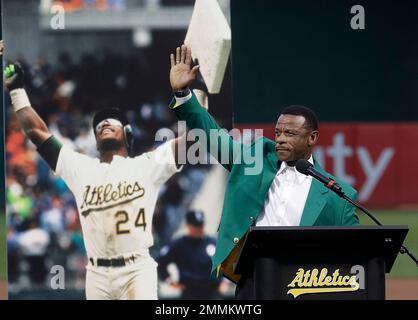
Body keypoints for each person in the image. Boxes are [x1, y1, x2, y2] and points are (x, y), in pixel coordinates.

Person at [167, 44, 360, 299]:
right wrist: (183, 93)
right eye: (278, 132)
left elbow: (354, 255)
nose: (280, 139)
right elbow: (212, 136)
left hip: (306, 285)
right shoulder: (254, 161)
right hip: (254, 280)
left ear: (312, 138)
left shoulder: (338, 194)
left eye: (290, 134)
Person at [4, 62, 183, 300]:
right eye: (99, 124)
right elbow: (37, 132)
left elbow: (192, 141)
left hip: (136, 269)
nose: (105, 123)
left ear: (128, 136)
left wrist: (187, 93)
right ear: (96, 142)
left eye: (113, 121)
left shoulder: (147, 164)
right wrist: (16, 89)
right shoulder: (80, 167)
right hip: (97, 273)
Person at [157, 210, 221, 300]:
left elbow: (224, 262)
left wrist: (224, 281)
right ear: (188, 226)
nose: (199, 229)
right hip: (190, 293)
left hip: (213, 292)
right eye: (195, 227)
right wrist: (169, 281)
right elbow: (160, 263)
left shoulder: (212, 242)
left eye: (201, 226)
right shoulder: (178, 244)